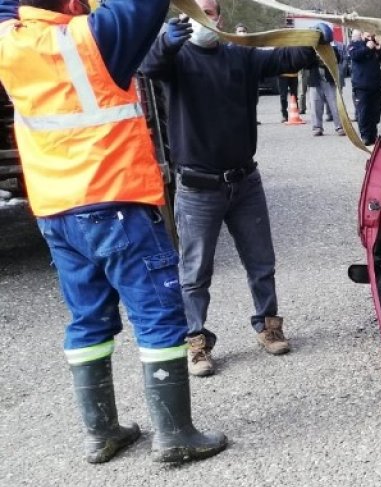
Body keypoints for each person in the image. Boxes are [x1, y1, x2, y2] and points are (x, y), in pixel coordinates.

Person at [0, 0, 228, 463]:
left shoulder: (8, 40)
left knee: (87, 319)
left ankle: (102, 433)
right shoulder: (95, 38)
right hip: (114, 200)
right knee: (160, 315)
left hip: (55, 212)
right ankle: (175, 435)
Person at [140, 0, 330, 376]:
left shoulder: (240, 57)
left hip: (245, 182)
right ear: (182, 19)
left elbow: (289, 56)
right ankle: (196, 341)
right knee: (195, 272)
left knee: (261, 263)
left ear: (221, 18)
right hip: (197, 188)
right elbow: (149, 66)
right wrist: (165, 42)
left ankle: (269, 325)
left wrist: (316, 35)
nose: (203, 20)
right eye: (195, 13)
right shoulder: (175, 59)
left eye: (209, 12)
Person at [347, 29, 381, 145]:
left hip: (375, 85)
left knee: (375, 112)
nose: (370, 35)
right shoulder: (354, 45)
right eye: (367, 33)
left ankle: (373, 135)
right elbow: (355, 56)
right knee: (364, 113)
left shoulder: (374, 46)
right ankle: (365, 136)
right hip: (361, 86)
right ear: (361, 35)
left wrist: (379, 50)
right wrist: (367, 48)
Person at [306, 45, 341, 136]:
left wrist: (325, 56)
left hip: (329, 79)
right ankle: (317, 127)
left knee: (335, 105)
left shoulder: (331, 48)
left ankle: (339, 127)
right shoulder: (310, 50)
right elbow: (305, 64)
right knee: (315, 105)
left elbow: (337, 59)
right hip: (315, 80)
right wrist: (316, 57)